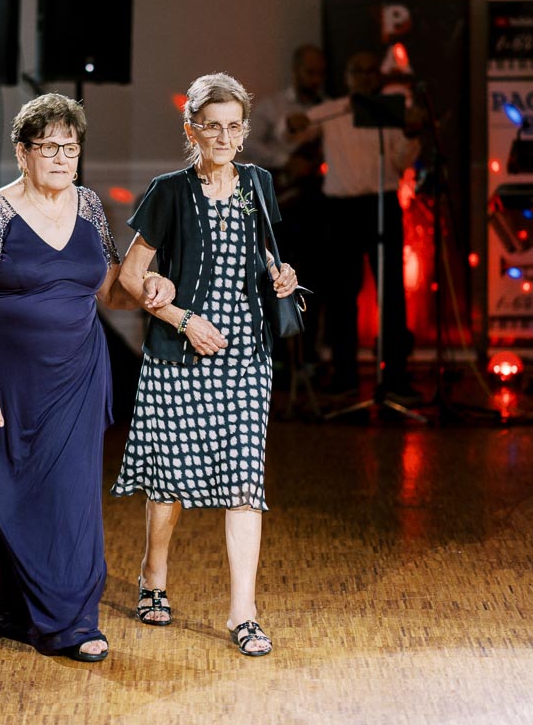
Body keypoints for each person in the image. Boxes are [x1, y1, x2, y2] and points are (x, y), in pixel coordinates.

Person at [0, 93, 174, 662]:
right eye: (49, 147)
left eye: (70, 148)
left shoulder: (90, 206)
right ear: (22, 153)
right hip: (2, 377)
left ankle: (70, 622)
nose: (61, 157)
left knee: (70, 497)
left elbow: (109, 292)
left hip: (75, 376)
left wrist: (154, 290)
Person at [111, 72, 299, 657]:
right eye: (211, 126)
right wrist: (182, 320)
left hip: (246, 352)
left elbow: (263, 253)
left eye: (232, 127)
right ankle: (153, 575)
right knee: (171, 480)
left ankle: (243, 613)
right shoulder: (168, 191)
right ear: (191, 129)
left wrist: (282, 275)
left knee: (245, 481)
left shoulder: (259, 185)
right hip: (180, 350)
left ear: (244, 134)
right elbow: (129, 278)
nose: (222, 137)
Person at [303, 51, 424, 403]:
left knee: (392, 294)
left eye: (372, 71)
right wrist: (291, 124)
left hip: (382, 204)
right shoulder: (333, 109)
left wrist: (411, 134)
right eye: (359, 71)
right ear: (348, 76)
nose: (366, 77)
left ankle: (396, 377)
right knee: (342, 294)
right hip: (341, 209)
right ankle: (345, 377)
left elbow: (401, 161)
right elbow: (292, 131)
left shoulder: (389, 109)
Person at [246, 44, 327, 367]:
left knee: (316, 279)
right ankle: (277, 354)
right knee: (278, 276)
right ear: (296, 71)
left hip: (320, 204)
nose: (316, 78)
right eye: (310, 72)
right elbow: (248, 144)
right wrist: (285, 161)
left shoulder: (328, 107)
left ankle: (309, 354)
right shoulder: (272, 107)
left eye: (320, 72)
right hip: (283, 203)